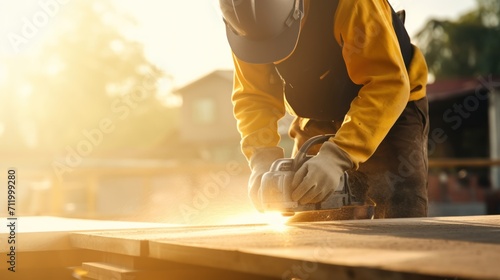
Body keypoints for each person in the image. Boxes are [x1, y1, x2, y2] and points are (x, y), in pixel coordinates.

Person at [219, 0, 429, 219]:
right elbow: (255, 96)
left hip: (388, 104)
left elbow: (387, 84)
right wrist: (261, 157)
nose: (272, 56)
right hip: (318, 109)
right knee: (304, 209)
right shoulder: (248, 26)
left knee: (401, 205)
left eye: (278, 42)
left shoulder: (353, 4)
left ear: (298, 8)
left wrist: (336, 156)